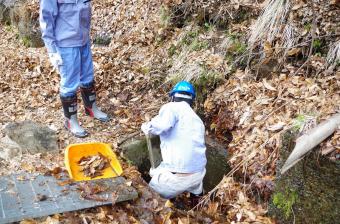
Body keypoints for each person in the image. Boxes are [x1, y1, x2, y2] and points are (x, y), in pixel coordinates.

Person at [39, 0, 109, 138]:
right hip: (66, 44)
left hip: (83, 40)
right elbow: (46, 18)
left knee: (88, 76)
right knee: (70, 83)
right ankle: (71, 121)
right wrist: (52, 49)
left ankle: (91, 108)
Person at [141, 81, 207, 200]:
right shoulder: (198, 120)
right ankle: (198, 206)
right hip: (198, 173)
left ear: (172, 97)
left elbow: (160, 126)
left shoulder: (172, 107)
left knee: (148, 199)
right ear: (192, 101)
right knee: (196, 195)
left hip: (177, 176)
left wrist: (147, 126)